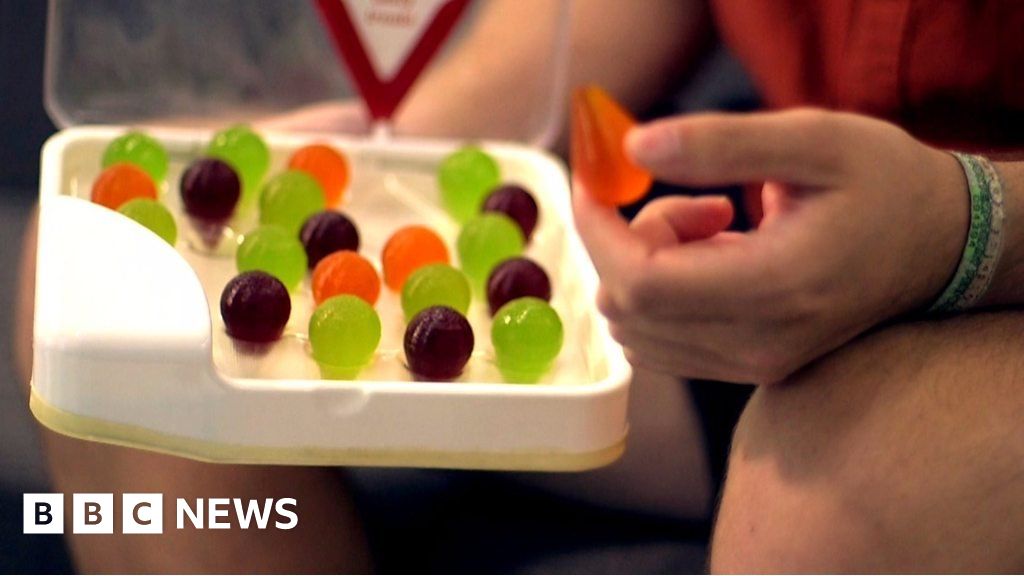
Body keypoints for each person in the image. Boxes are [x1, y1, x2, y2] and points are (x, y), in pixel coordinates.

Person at [15, 0, 1024, 572]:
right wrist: (408, 150)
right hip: (768, 227)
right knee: (100, 305)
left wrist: (965, 225)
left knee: (836, 514)